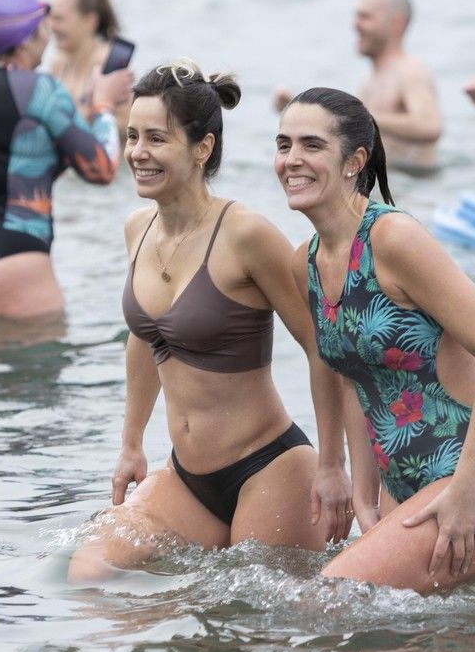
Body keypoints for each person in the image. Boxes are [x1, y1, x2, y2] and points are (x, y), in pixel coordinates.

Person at [67, 61, 353, 584]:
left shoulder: (245, 234)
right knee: (90, 575)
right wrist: (131, 443)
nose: (137, 153)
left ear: (202, 149)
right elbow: (144, 337)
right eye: (132, 136)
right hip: (187, 474)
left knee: (245, 621)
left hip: (269, 469)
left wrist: (334, 465)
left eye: (157, 138)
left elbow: (324, 348)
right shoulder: (137, 229)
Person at [276, 87, 475, 594]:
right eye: (283, 144)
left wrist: (468, 490)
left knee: (334, 597)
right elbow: (354, 379)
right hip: (407, 483)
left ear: (355, 160)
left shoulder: (393, 238)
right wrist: (362, 495)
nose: (292, 160)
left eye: (311, 145)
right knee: (407, 644)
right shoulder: (304, 263)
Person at [0, 0, 133, 321]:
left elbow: (21, 166)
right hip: (11, 259)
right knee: (40, 374)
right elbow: (103, 168)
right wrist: (104, 105)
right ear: (25, 38)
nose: (49, 35)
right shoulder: (40, 87)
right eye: (43, 27)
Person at [274, 0, 442, 174]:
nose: (355, 24)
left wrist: (359, 116)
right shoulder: (369, 80)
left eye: (365, 17)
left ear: (396, 23)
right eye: (356, 16)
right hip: (387, 181)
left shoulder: (411, 72)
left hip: (415, 186)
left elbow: (430, 127)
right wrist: (300, 111)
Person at [48, 0, 130, 138]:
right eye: (50, 18)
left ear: (90, 21)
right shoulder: (58, 63)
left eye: (59, 19)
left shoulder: (109, 63)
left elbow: (128, 125)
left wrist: (92, 117)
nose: (51, 26)